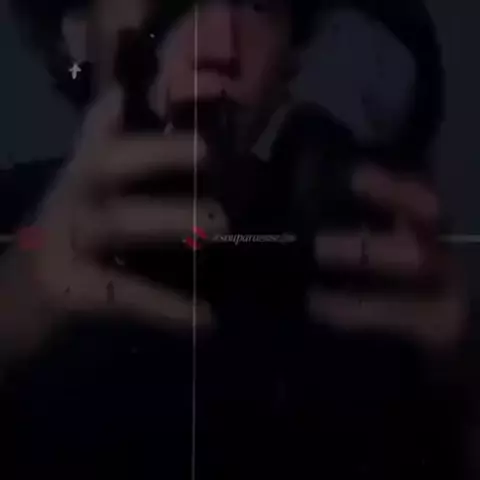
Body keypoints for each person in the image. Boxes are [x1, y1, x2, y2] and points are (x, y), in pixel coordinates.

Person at [0, 0, 469, 478]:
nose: (220, 47)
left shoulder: (362, 273)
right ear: (77, 32)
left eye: (260, 3)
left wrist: (462, 393)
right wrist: (10, 316)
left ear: (291, 55)